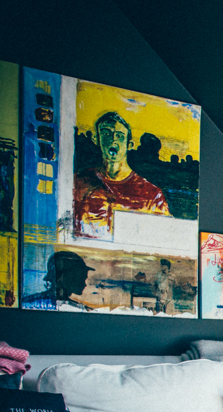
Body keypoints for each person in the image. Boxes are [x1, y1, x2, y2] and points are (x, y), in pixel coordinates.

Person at [73, 111, 170, 239]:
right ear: (96, 139)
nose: (113, 141)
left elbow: (164, 238)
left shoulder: (152, 195)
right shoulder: (78, 182)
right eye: (106, 134)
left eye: (119, 136)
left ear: (129, 144)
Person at [23, 250, 94, 310]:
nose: (84, 284)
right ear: (61, 278)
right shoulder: (29, 304)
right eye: (80, 279)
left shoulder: (79, 308)